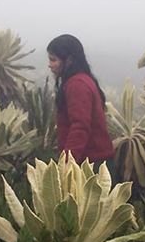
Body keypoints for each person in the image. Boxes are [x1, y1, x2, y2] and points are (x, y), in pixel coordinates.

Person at [46, 34, 115, 168]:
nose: (49, 65)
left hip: (91, 164)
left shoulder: (77, 85)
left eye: (53, 60)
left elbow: (80, 126)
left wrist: (66, 164)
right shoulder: (80, 80)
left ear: (69, 60)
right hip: (89, 161)